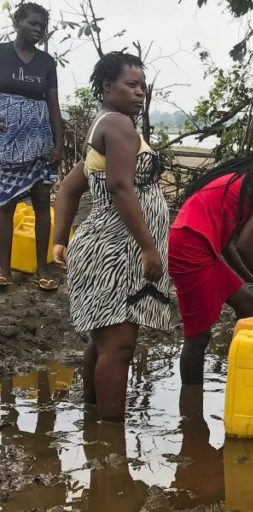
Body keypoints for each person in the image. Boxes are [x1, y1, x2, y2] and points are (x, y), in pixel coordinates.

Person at [52, 51, 172, 422]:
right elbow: (121, 187)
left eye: (143, 86)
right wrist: (149, 248)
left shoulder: (105, 126)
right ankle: (110, 442)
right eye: (131, 85)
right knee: (117, 347)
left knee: (103, 341)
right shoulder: (118, 125)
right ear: (107, 87)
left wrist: (59, 239)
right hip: (116, 254)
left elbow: (71, 188)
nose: (140, 93)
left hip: (111, 250)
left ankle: (93, 423)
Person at [169, 144, 253, 385]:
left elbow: (227, 245)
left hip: (199, 244)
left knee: (247, 303)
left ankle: (243, 374)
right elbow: (245, 245)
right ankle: (191, 407)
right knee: (198, 336)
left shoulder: (247, 182)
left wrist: (249, 279)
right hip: (190, 247)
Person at [0, 3, 63, 290]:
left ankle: (43, 268)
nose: (38, 30)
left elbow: (53, 105)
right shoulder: (0, 54)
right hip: (6, 142)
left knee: (40, 203)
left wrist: (58, 144)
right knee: (5, 205)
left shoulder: (46, 63)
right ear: (17, 22)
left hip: (40, 141)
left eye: (42, 26)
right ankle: (3, 270)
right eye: (33, 24)